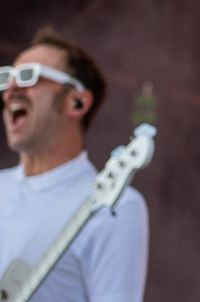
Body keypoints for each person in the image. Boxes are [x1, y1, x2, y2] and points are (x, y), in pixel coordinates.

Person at [1, 28, 149, 301]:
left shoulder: (113, 205)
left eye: (28, 76)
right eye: (6, 79)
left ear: (77, 102)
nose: (11, 90)